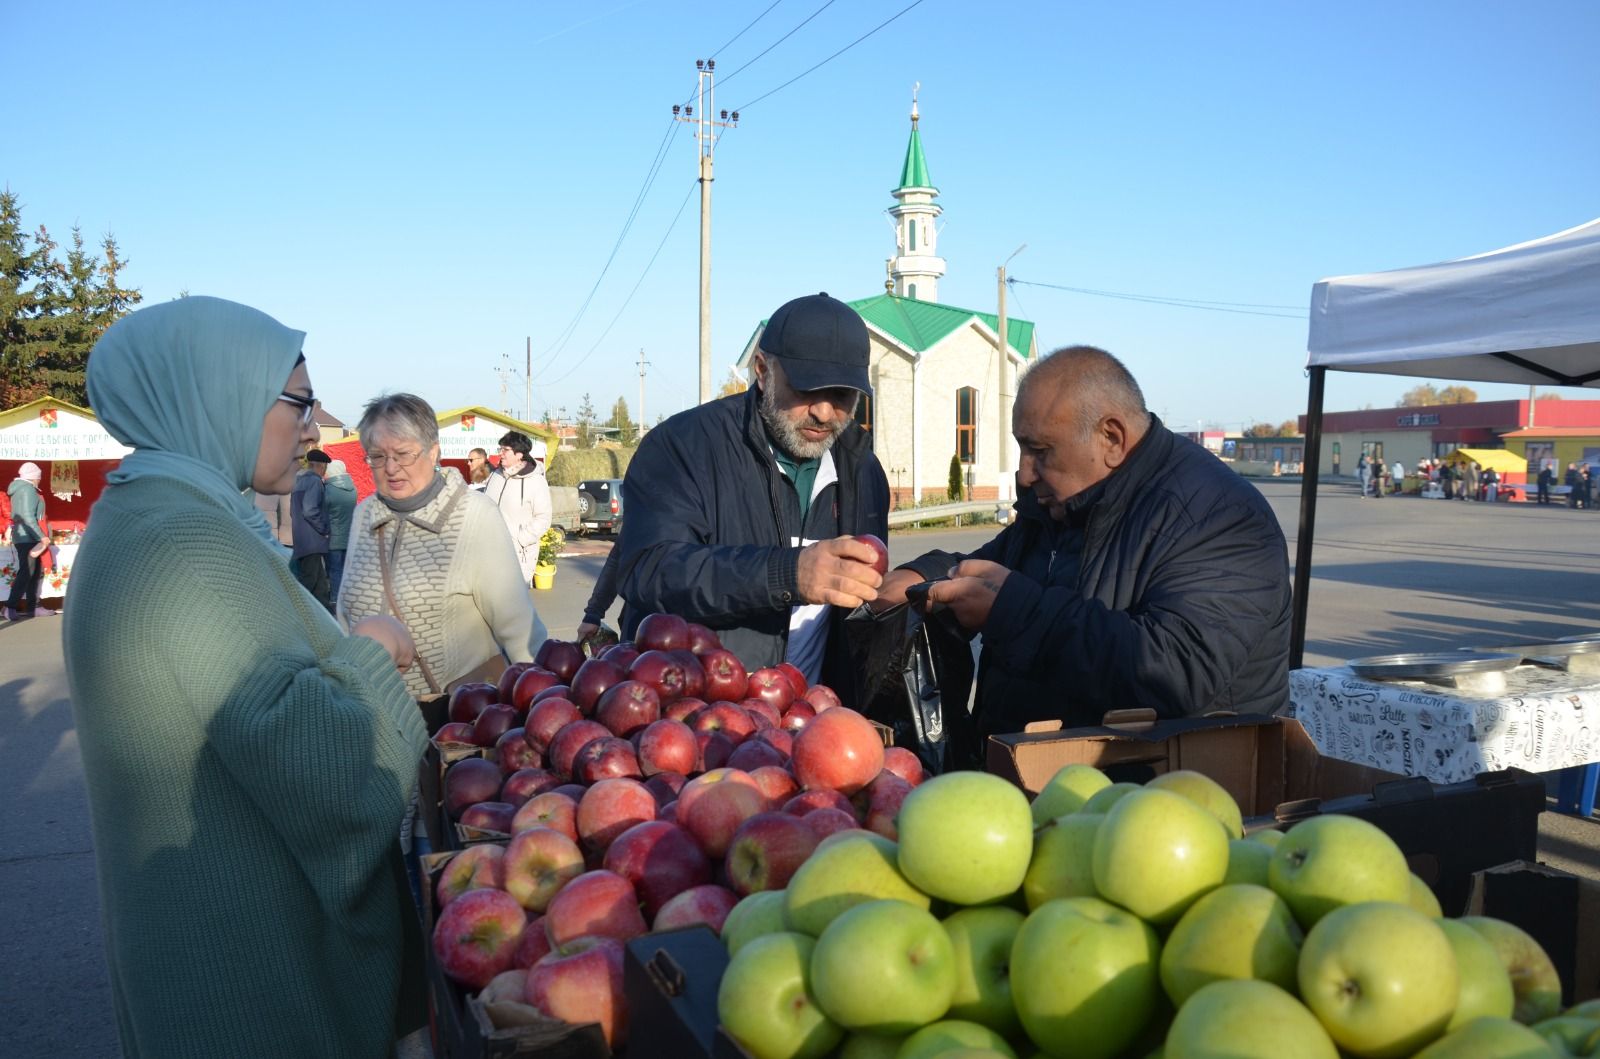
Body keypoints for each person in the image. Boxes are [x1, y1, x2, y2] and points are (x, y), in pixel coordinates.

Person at [61, 296, 429, 1058]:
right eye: (296, 400)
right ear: (213, 391)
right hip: (253, 985)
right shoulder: (183, 539)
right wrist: (373, 650)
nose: (315, 426)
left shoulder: (156, 511)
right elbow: (337, 779)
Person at [877, 345, 1292, 734]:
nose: (1024, 473)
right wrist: (922, 577)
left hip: (1160, 794)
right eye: (1022, 448)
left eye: (1040, 451)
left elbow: (1175, 674)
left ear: (1111, 438)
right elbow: (995, 563)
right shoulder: (1066, 500)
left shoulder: (1220, 516)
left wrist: (1014, 612)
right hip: (1033, 786)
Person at [618, 291, 889, 685]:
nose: (825, 412)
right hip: (696, 722)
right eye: (807, 390)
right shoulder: (682, 445)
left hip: (810, 727)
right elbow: (650, 571)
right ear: (762, 371)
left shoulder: (863, 469)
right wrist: (788, 574)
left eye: (843, 395)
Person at [339, 394, 547, 697]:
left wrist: (544, 702)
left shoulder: (474, 516)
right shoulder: (363, 515)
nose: (391, 468)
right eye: (378, 456)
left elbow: (519, 628)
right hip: (368, 716)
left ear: (434, 452)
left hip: (452, 723)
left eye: (403, 454)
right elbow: (345, 616)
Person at [483, 431, 553, 585]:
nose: (500, 454)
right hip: (489, 551)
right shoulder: (496, 476)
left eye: (505, 450)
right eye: (500, 449)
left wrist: (521, 539)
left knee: (513, 604)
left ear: (519, 454)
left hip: (518, 554)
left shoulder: (536, 481)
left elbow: (543, 518)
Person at [292, 448, 334, 609]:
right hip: (313, 540)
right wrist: (324, 528)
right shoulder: (315, 481)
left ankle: (324, 614)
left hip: (302, 539)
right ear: (319, 466)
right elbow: (310, 510)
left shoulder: (298, 481)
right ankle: (299, 614)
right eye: (324, 467)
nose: (325, 471)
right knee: (309, 581)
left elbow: (292, 511)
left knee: (320, 581)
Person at [4, 461, 46, 620]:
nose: (40, 479)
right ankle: (10, 606)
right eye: (39, 477)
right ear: (34, 477)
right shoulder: (27, 490)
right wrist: (42, 536)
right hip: (27, 537)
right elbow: (29, 517)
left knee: (33, 572)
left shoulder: (21, 489)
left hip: (25, 536)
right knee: (27, 572)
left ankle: (32, 606)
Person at [324, 458, 357, 599]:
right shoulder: (353, 489)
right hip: (349, 536)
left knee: (334, 570)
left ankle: (335, 598)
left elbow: (322, 512)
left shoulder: (328, 490)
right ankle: (346, 597)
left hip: (333, 538)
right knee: (346, 570)